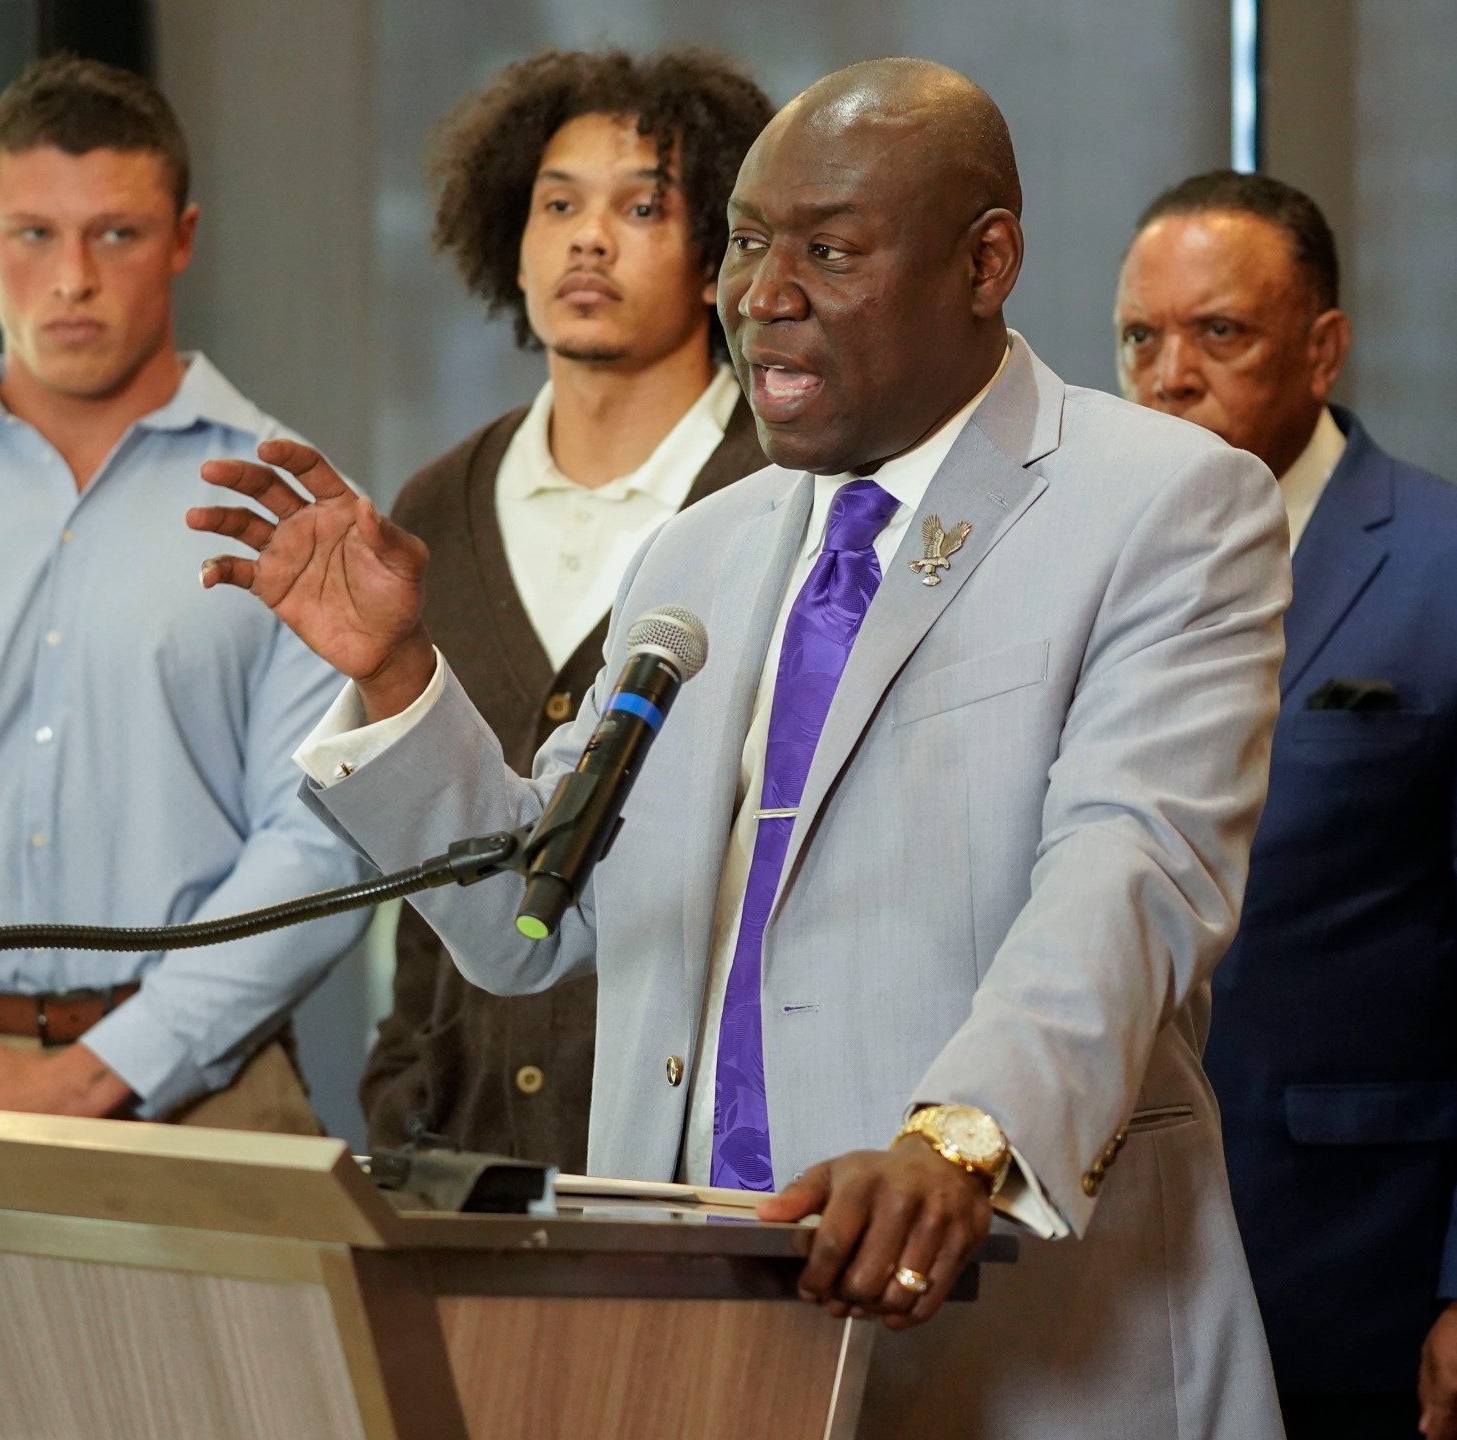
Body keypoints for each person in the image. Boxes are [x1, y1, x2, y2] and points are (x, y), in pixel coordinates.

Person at [192, 58, 1287, 1439]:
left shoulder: (1164, 503)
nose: (763, 291)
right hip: (704, 1330)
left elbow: (1133, 868)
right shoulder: (703, 548)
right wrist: (400, 674)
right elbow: (532, 917)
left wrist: (957, 1137)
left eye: (828, 249)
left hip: (1019, 1326)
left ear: (985, 261)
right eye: (750, 243)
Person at [1114, 172, 1457, 1440]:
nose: (1170, 374)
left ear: (1322, 347)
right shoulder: (1073, 573)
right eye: (1139, 338)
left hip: (1348, 1276)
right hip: (1093, 1269)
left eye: (1217, 333)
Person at [0, 56, 363, 1129]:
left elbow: (325, 832)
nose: (73, 277)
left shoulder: (296, 511)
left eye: (117, 233)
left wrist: (110, 1068)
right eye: (35, 233)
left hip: (208, 1085)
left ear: (181, 237)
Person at [359, 48, 773, 1172]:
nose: (590, 238)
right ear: (512, 233)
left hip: (690, 1145)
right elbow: (423, 840)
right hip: (461, 1129)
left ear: (715, 257)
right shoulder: (439, 504)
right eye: (557, 204)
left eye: (643, 205)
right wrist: (402, 1073)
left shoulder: (781, 502)